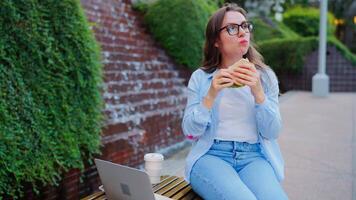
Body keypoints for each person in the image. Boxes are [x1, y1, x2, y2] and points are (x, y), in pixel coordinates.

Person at [181, 3, 288, 200]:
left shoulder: (265, 77)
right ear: (216, 41)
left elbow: (272, 132)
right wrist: (211, 95)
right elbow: (189, 131)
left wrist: (258, 93)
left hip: (253, 156)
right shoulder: (201, 77)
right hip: (212, 155)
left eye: (245, 26)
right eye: (232, 28)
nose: (242, 32)